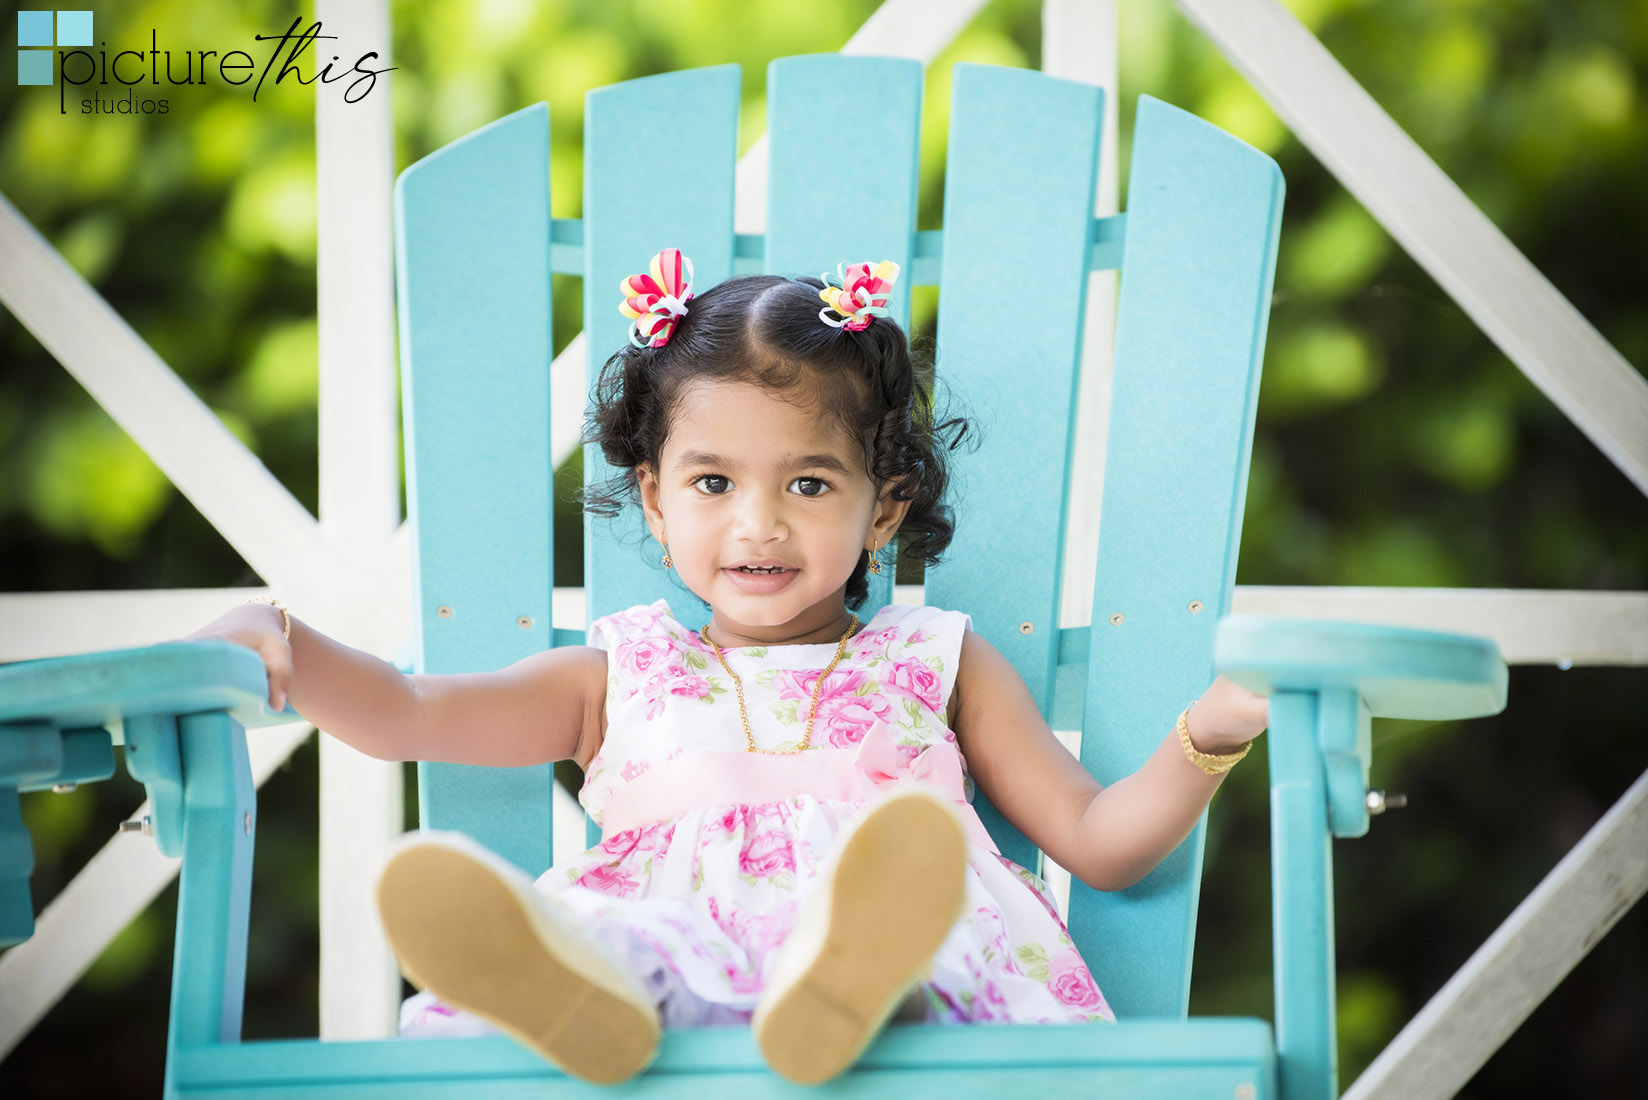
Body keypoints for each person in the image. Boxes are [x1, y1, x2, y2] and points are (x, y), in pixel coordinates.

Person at [187, 248, 1269, 1086]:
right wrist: (284, 634)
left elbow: (1096, 839)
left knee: (916, 930)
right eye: (711, 483)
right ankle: (577, 1000)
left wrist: (1214, 726)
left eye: (807, 484)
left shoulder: (934, 661)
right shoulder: (617, 671)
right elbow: (414, 707)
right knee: (624, 941)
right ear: (655, 498)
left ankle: (859, 985)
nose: (758, 524)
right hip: (677, 1004)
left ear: (881, 506)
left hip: (925, 1010)